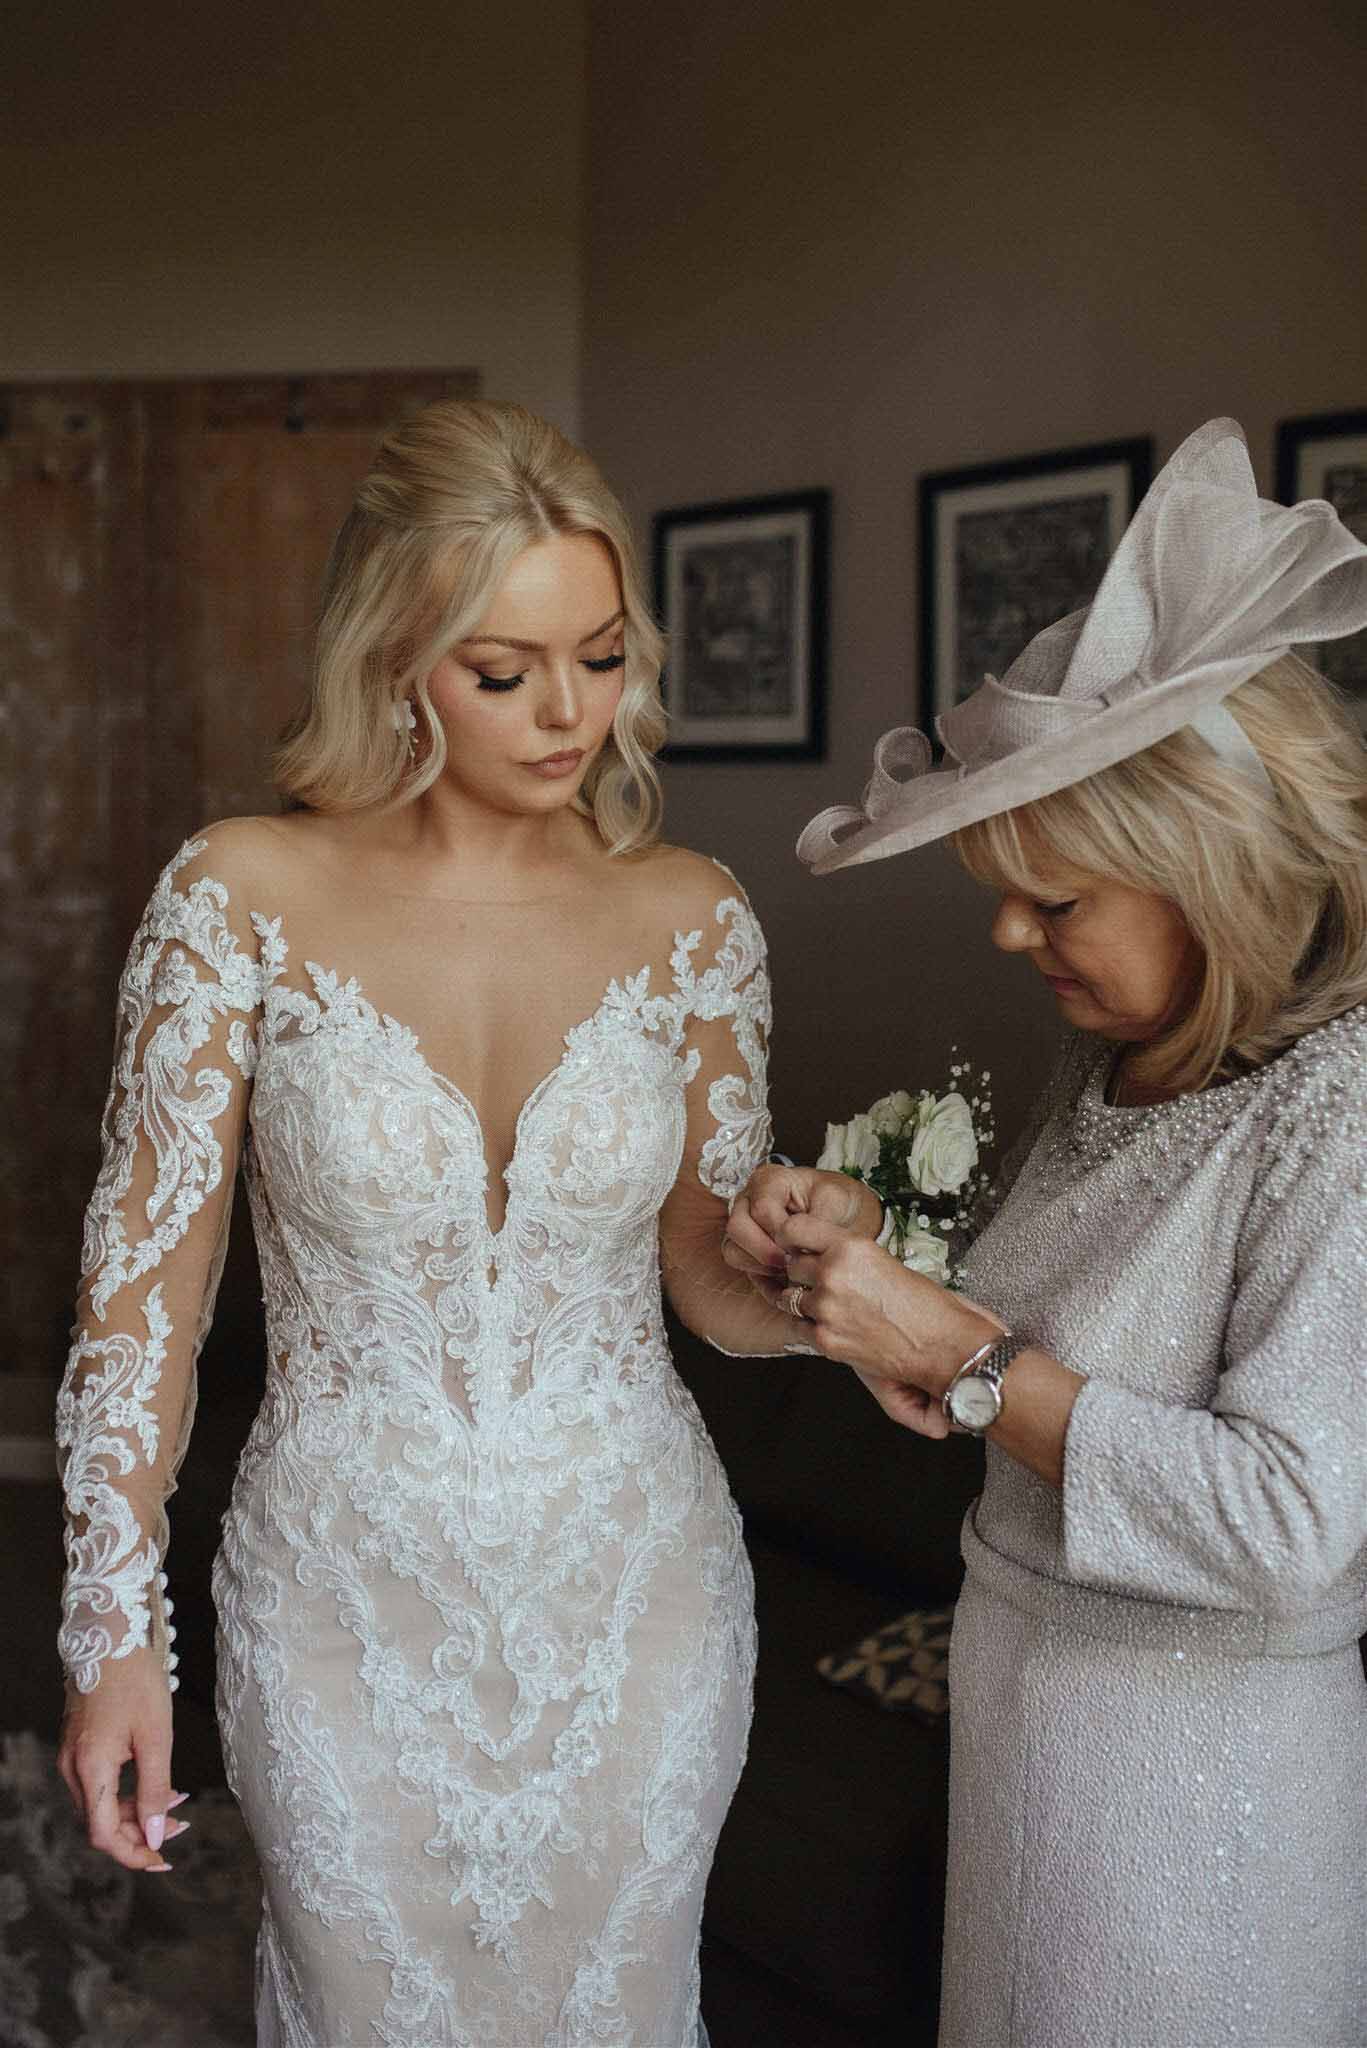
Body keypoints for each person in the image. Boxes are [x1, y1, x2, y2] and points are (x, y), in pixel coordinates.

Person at [53, 399, 824, 2046]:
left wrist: (812, 1270)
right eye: (506, 669)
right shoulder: (239, 895)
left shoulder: (695, 920)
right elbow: (143, 1308)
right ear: (395, 657)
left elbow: (712, 1286)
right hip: (343, 1596)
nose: (569, 712)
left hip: (637, 1590)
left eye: (602, 657)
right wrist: (116, 1635)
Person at [727, 420, 1367, 2046]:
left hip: (1195, 1791)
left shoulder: (1339, 1109)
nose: (1012, 933)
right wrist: (876, 1260)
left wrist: (942, 1341)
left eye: (1058, 898)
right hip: (1022, 1731)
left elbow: (1292, 1519)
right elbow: (1031, 1378)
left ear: (1208, 870)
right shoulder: (1110, 1063)